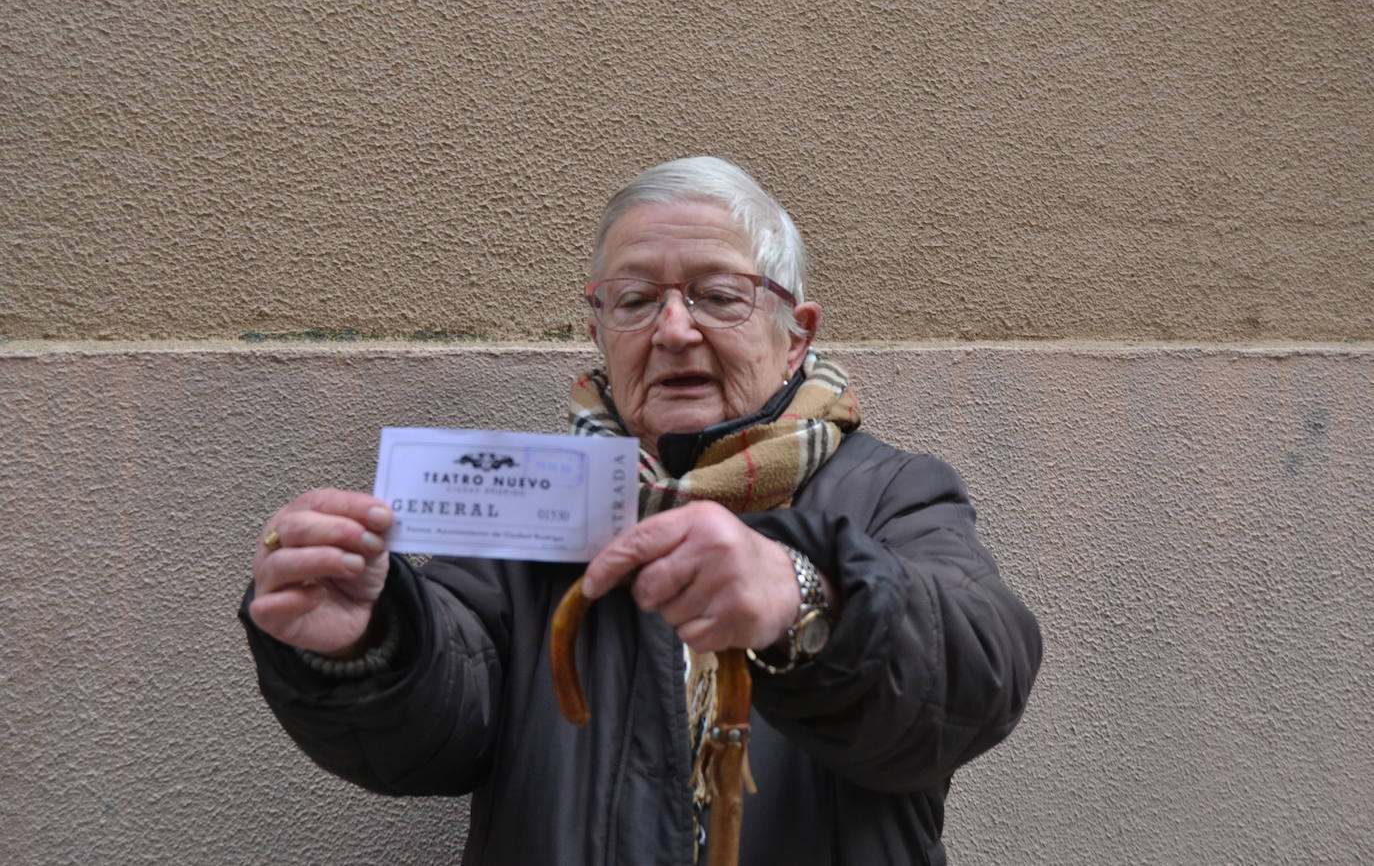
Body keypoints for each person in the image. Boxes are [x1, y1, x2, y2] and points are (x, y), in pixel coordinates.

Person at [241, 156, 1042, 865]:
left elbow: (975, 678)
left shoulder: (892, 491)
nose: (672, 329)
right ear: (598, 330)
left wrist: (805, 593)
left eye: (717, 295)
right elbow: (446, 724)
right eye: (633, 301)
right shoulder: (541, 499)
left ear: (795, 335)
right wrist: (370, 644)